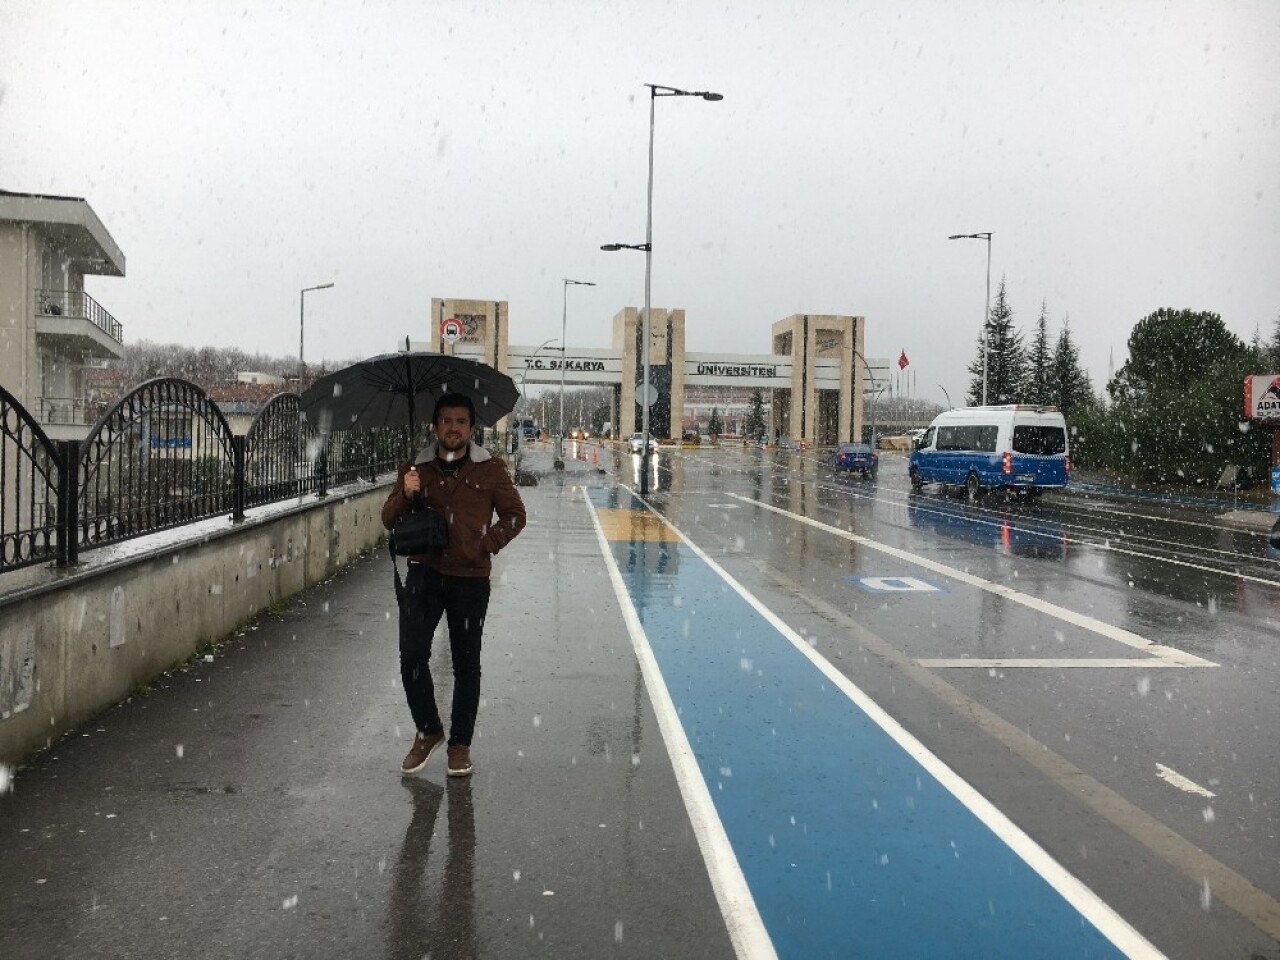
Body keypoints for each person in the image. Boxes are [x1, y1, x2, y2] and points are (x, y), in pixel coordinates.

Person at [381, 393, 526, 777]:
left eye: (461, 421)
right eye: (446, 421)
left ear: (471, 429)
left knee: (466, 665)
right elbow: (388, 518)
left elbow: (515, 515)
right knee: (412, 656)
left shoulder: (490, 469)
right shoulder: (417, 468)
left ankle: (460, 746)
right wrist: (407, 493)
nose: (453, 428)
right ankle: (429, 730)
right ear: (435, 426)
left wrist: (485, 547)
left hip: (470, 580)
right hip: (424, 574)